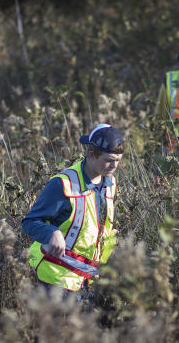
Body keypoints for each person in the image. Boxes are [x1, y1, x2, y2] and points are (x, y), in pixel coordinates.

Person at [22, 124, 123, 296]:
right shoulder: (62, 184)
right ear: (91, 154)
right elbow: (29, 223)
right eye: (109, 160)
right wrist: (51, 232)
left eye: (118, 160)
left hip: (88, 282)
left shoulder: (110, 184)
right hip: (54, 280)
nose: (114, 166)